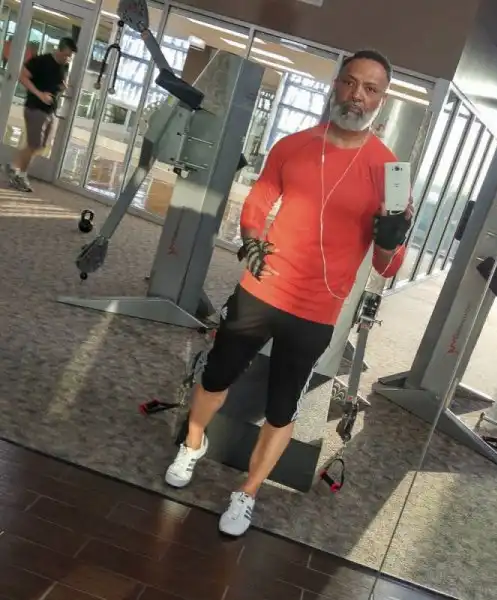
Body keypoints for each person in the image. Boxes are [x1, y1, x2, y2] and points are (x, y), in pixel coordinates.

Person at [165, 49, 414, 536]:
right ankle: (192, 443)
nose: (356, 95)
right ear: (336, 85)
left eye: (370, 89)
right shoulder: (293, 145)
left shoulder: (389, 173)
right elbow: (259, 202)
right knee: (216, 375)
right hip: (262, 288)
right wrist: (253, 239)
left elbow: (387, 266)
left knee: (282, 407)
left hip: (317, 308)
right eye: (350, 82)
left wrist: (390, 241)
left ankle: (247, 492)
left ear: (381, 100)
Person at [5, 37, 77, 193]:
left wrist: (62, 86)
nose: (67, 59)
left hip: (50, 111)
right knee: (34, 144)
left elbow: (57, 82)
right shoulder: (41, 61)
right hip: (35, 107)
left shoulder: (64, 66)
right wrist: (40, 94)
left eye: (70, 56)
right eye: (66, 55)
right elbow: (22, 76)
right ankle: (21, 176)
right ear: (59, 50)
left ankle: (13, 166)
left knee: (41, 145)